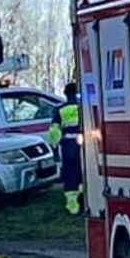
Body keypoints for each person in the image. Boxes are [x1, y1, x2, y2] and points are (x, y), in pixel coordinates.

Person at [49, 83, 83, 216]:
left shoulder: (60, 110)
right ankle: (86, 198)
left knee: (70, 173)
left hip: (69, 145)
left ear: (66, 94)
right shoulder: (84, 108)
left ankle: (73, 206)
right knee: (84, 172)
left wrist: (55, 147)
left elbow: (54, 131)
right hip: (87, 144)